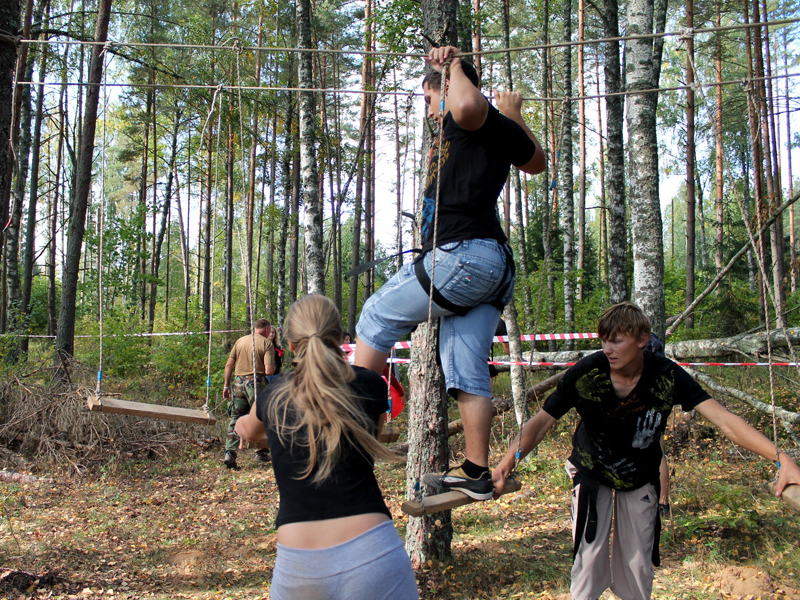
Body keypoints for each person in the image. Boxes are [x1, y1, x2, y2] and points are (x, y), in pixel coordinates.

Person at [492, 302, 800, 600]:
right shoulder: (586, 372)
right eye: (604, 341)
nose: (607, 349)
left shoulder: (667, 376)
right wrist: (508, 462)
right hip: (592, 470)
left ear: (642, 340)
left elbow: (726, 421)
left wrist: (780, 458)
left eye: (616, 341)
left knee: (637, 565)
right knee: (588, 560)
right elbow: (542, 422)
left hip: (641, 474)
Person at [352, 44, 546, 501]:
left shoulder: (468, 116)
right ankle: (477, 471)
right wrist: (514, 113)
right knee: (462, 364)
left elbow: (469, 106)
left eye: (428, 98)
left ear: (448, 89)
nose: (427, 111)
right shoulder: (494, 126)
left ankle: (352, 444)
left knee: (375, 317)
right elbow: (536, 162)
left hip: (464, 256)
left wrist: (452, 65)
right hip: (493, 266)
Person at [235, 294, 418, 600]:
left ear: (290, 344)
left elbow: (250, 431)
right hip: (373, 552)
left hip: (300, 567)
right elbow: (370, 433)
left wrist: (240, 424)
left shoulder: (273, 395)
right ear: (338, 339)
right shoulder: (370, 384)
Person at [222, 318, 276, 469]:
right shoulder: (266, 343)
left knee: (235, 417)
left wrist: (226, 386)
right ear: (266, 329)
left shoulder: (240, 341)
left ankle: (230, 453)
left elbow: (229, 364)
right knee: (263, 416)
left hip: (238, 383)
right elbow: (268, 371)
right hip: (256, 384)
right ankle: (261, 452)